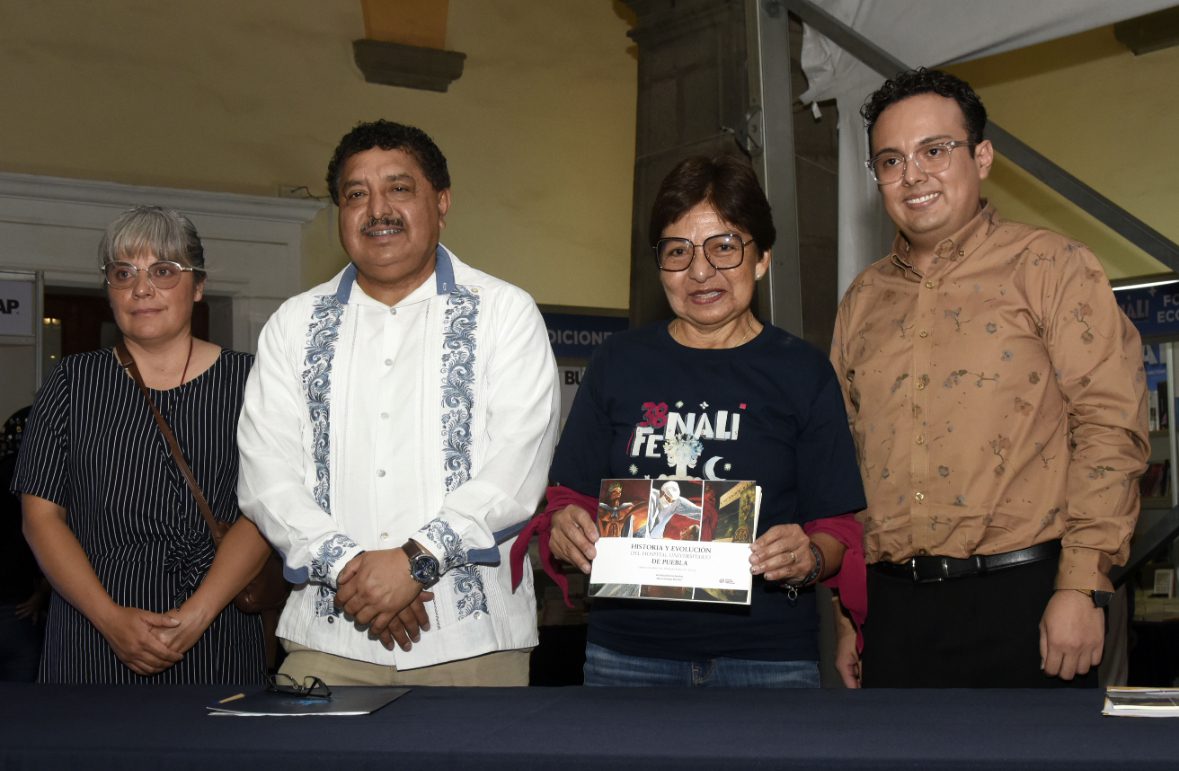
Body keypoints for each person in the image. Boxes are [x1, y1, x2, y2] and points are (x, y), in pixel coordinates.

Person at [832, 68, 1149, 687]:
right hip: (893, 613)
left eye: (934, 150)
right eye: (891, 161)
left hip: (1029, 602)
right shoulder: (862, 299)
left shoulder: (1052, 267)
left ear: (981, 157)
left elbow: (1111, 428)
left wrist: (1082, 584)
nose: (913, 175)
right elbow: (845, 459)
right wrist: (850, 614)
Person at [237, 120, 559, 687]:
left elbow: (517, 469)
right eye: (356, 194)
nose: (377, 210)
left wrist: (416, 561)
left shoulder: (504, 313)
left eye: (399, 188)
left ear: (442, 202)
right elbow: (267, 475)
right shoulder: (294, 324)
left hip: (471, 641)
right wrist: (352, 571)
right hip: (331, 635)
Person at [540, 154, 867, 688]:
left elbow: (837, 530)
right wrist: (566, 528)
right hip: (627, 656)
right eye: (677, 251)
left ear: (762, 258)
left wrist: (807, 557)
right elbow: (567, 498)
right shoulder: (618, 363)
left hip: (767, 660)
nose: (699, 271)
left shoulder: (802, 371)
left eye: (724, 246)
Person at [13, 205, 270, 684]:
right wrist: (110, 619)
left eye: (164, 271)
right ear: (109, 289)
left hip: (216, 635)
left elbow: (266, 513)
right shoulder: (71, 382)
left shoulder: (252, 382)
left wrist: (194, 617)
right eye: (123, 273)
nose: (141, 288)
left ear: (198, 286)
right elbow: (41, 519)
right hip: (91, 639)